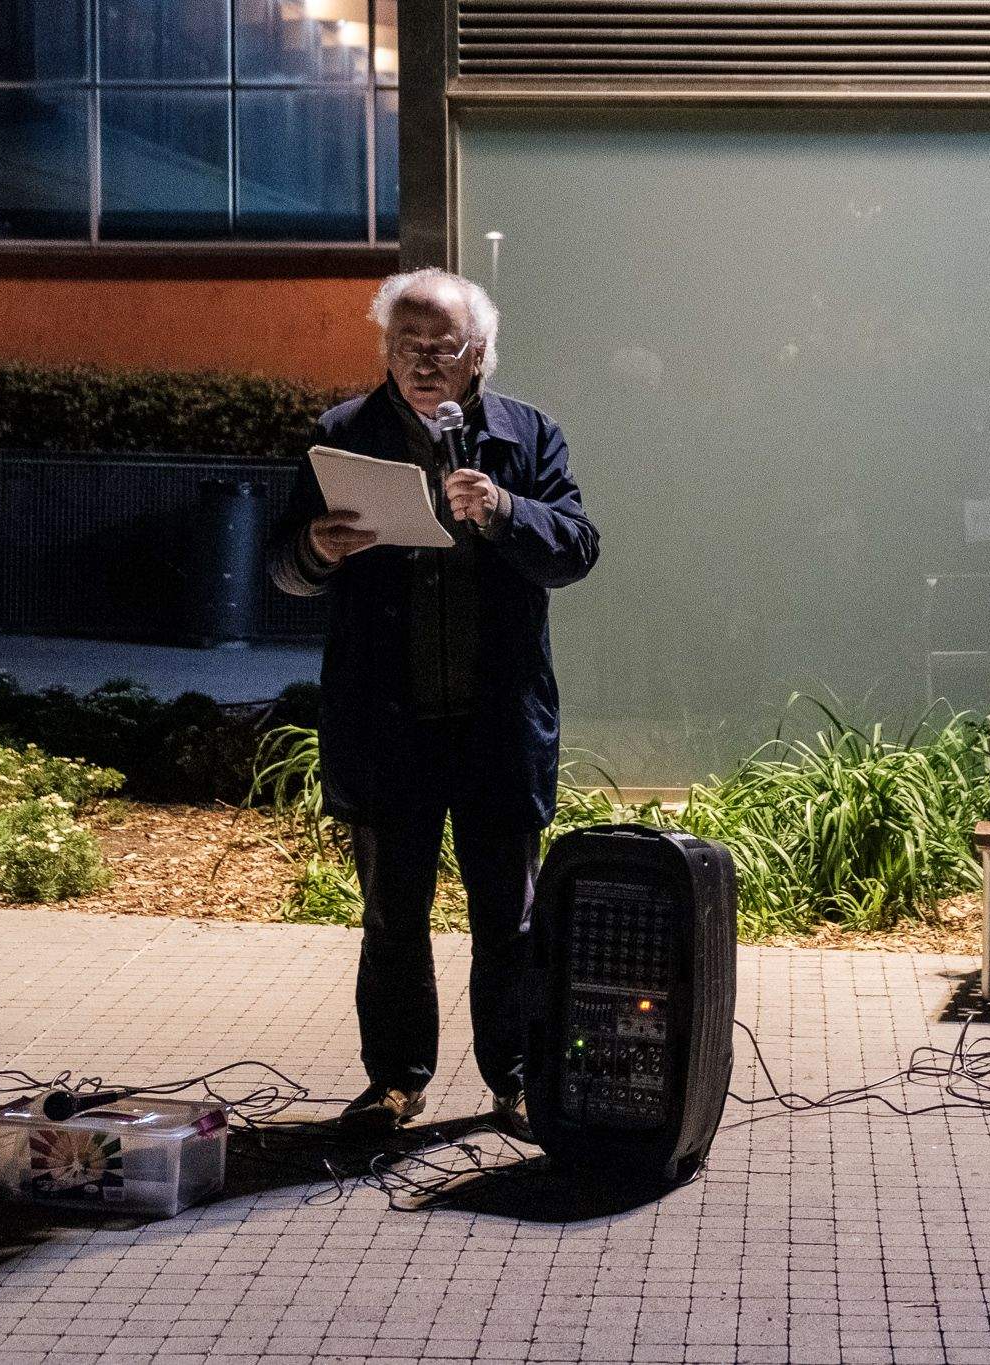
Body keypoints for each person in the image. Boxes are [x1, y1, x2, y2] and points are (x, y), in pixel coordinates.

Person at [269, 268, 600, 1136]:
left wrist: (503, 509)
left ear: (477, 353)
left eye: (441, 346)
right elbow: (281, 568)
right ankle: (396, 1081)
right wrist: (314, 546)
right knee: (392, 920)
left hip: (495, 728)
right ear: (386, 349)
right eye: (405, 344)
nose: (422, 361)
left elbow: (577, 548)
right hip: (388, 731)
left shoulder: (527, 436)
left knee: (510, 921)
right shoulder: (342, 435)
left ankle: (517, 1076)